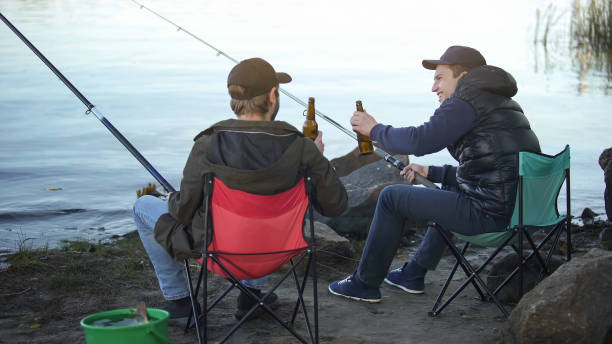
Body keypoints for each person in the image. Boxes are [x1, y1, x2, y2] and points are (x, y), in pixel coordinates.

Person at [133, 57, 347, 324]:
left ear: (233, 99)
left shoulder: (207, 144)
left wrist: (170, 199)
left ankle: (180, 302)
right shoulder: (302, 148)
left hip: (216, 252)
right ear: (272, 95)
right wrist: (319, 160)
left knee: (142, 207)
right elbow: (335, 205)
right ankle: (251, 296)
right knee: (260, 212)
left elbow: (183, 211)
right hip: (278, 250)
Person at [328, 45, 541, 302]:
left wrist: (374, 130)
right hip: (520, 212)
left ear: (463, 77)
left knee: (391, 198)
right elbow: (491, 169)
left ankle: (364, 283)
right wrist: (432, 172)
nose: (434, 87)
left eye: (440, 78)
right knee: (450, 189)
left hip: (491, 216)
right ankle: (413, 274)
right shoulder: (502, 103)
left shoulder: (465, 102)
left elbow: (420, 141)